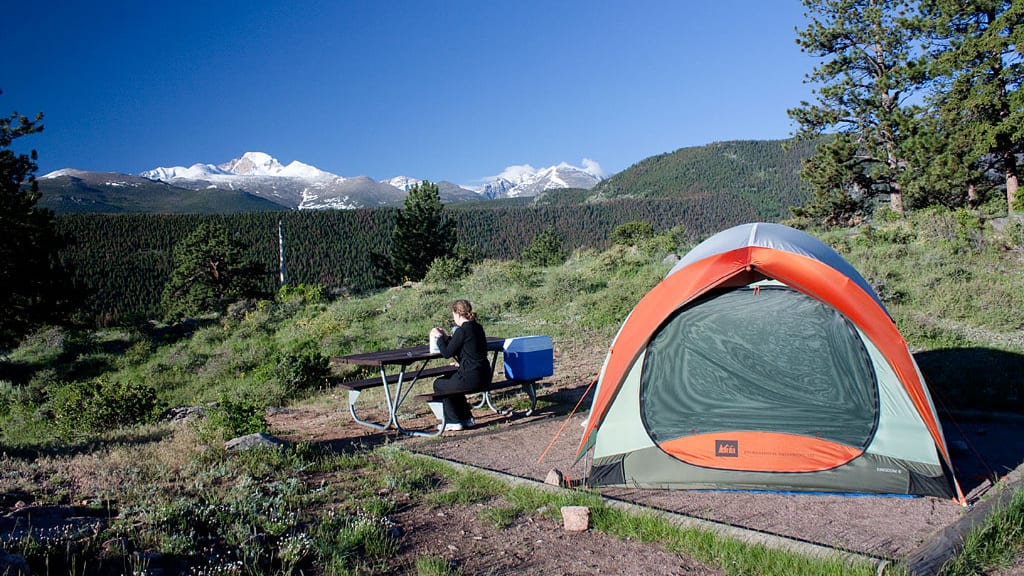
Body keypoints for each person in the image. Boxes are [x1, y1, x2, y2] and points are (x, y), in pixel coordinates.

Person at [430, 299, 490, 431]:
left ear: (457, 314)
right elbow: (463, 346)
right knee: (450, 377)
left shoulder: (462, 331)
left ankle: (453, 421)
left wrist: (439, 338)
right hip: (484, 375)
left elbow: (446, 353)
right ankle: (466, 418)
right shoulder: (477, 328)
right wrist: (447, 338)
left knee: (439, 384)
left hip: (471, 378)